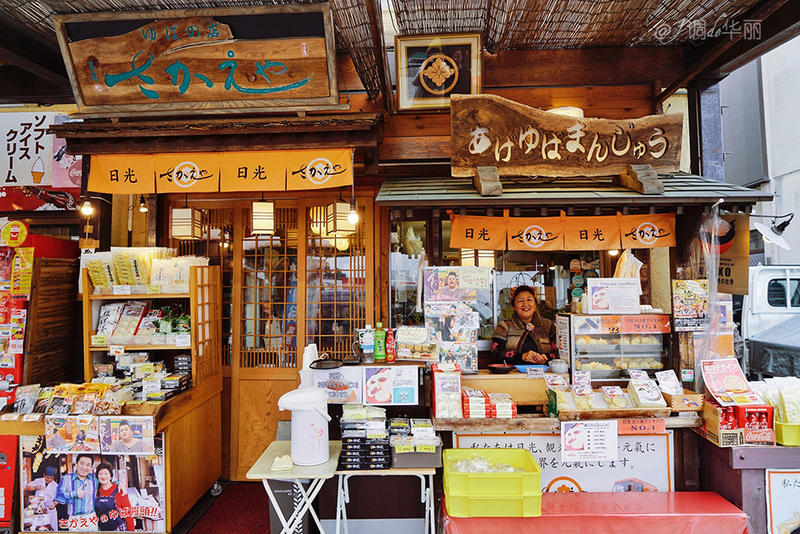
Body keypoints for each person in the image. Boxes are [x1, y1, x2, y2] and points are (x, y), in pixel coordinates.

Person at [492, 285, 558, 365]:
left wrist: (546, 357)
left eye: (529, 300)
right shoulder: (504, 326)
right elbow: (497, 354)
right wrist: (522, 356)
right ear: (513, 306)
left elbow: (559, 351)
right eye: (520, 301)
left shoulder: (548, 325)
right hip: (513, 375)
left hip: (544, 374)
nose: (525, 304)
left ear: (535, 304)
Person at [55, 454, 98, 529]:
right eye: (82, 463)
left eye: (88, 465)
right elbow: (59, 498)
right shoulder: (67, 479)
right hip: (74, 520)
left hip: (91, 519)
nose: (84, 467)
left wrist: (121, 483)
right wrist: (73, 494)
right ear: (76, 464)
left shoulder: (95, 479)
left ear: (91, 467)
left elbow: (108, 482)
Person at [95, 463, 134, 532]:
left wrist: (131, 531)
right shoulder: (96, 491)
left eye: (106, 473)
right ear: (97, 476)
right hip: (103, 529)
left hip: (119, 528)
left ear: (111, 476)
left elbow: (128, 512)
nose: (103, 476)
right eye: (100, 473)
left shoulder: (119, 490)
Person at [25, 465, 58, 530]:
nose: (49, 480)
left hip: (50, 510)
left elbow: (58, 498)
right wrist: (36, 487)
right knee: (38, 528)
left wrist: (54, 504)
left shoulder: (55, 485)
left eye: (52, 478)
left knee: (52, 528)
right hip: (38, 509)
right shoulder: (38, 481)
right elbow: (26, 488)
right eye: (48, 477)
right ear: (44, 475)